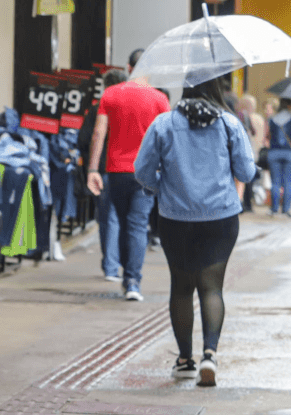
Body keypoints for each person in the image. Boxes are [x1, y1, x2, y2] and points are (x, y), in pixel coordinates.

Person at [134, 77, 256, 388]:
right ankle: (209, 355)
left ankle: (185, 360)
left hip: (175, 218)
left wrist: (160, 187)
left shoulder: (163, 124)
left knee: (181, 287)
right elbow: (246, 171)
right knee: (212, 287)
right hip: (220, 217)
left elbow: (142, 171)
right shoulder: (229, 123)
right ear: (216, 88)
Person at [87, 49, 170, 301]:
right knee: (137, 225)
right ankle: (133, 280)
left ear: (128, 67)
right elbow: (167, 138)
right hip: (147, 172)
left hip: (116, 171)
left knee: (124, 223)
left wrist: (93, 169)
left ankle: (127, 275)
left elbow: (98, 133)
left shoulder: (111, 94)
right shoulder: (160, 99)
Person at [78, 68, 127, 282]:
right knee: (132, 220)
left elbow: (84, 139)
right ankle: (129, 267)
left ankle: (111, 266)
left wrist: (91, 167)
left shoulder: (99, 108)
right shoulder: (131, 108)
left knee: (108, 219)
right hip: (131, 169)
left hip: (105, 170)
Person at [266, 98, 291, 217]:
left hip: (274, 152)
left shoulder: (272, 119)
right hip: (289, 153)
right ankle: (286, 209)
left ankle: (274, 208)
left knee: (275, 182)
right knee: (289, 181)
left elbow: (268, 135)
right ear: (289, 106)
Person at [235, 94, 264, 212]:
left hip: (239, 148)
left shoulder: (237, 115)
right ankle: (247, 203)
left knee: (239, 179)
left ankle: (242, 203)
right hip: (248, 149)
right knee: (247, 177)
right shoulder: (248, 116)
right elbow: (253, 132)